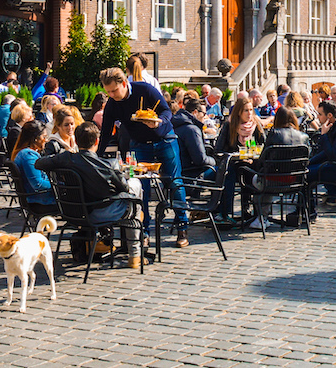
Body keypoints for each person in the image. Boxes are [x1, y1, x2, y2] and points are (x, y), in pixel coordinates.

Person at [97, 67, 189, 247]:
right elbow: (106, 132)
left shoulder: (145, 90)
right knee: (141, 188)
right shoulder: (112, 104)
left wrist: (157, 122)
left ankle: (182, 227)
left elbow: (167, 111)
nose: (112, 95)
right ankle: (144, 232)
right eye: (108, 92)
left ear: (124, 83)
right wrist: (97, 156)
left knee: (175, 183)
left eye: (114, 90)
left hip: (165, 140)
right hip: (139, 145)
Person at [35, 122, 145, 268]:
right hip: (102, 213)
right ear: (97, 141)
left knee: (133, 195)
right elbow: (124, 188)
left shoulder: (67, 158)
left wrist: (60, 160)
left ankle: (103, 243)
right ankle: (135, 253)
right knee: (135, 186)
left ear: (76, 140)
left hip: (73, 211)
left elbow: (39, 163)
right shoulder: (108, 164)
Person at [11, 120, 59, 217]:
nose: (46, 140)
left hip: (36, 199)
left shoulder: (24, 153)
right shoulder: (28, 156)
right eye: (44, 137)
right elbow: (38, 184)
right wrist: (58, 185)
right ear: (35, 139)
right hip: (40, 202)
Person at [171, 96, 215, 182]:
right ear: (195, 112)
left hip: (177, 172)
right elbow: (200, 160)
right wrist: (214, 160)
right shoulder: (192, 130)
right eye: (204, 114)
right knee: (224, 172)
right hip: (190, 174)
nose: (205, 118)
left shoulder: (177, 123)